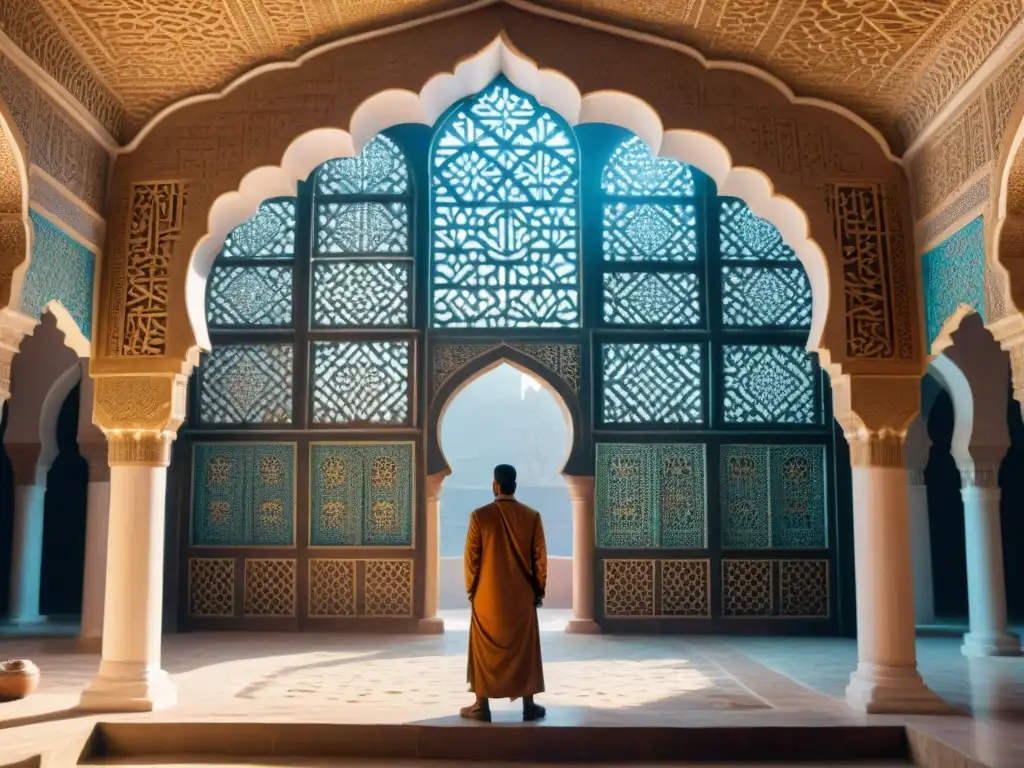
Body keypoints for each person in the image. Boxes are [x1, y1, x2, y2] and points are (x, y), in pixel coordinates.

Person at [461, 464, 548, 722]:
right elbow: (539, 560)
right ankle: (529, 704)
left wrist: (472, 591)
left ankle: (481, 704)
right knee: (525, 648)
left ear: (495, 485)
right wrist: (538, 590)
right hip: (522, 598)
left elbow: (471, 561)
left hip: (488, 598)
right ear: (515, 486)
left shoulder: (479, 516)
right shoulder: (532, 516)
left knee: (483, 649)